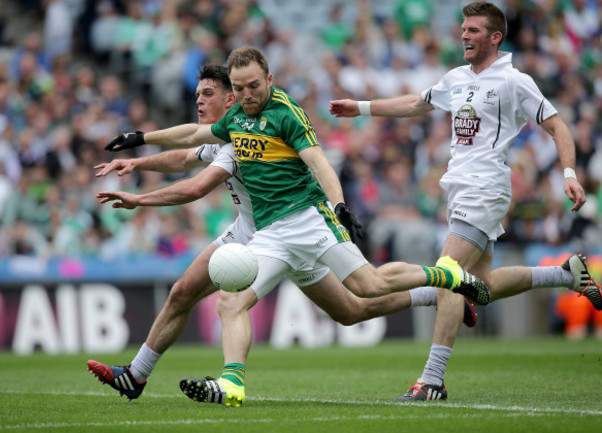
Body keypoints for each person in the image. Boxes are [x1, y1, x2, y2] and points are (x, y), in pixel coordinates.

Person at [102, 46, 491, 407]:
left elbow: (319, 163)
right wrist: (140, 142)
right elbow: (190, 139)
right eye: (240, 88)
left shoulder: (286, 113)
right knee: (233, 300)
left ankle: (445, 276)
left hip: (307, 218)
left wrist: (338, 204)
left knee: (366, 288)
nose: (247, 94)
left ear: (269, 80)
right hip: (267, 232)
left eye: (253, 86)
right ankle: (231, 384)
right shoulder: (235, 119)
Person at [329, 1, 601, 401]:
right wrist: (363, 108)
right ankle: (565, 274)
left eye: (473, 30)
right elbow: (416, 103)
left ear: (495, 37)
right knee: (482, 284)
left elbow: (557, 125)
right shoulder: (456, 77)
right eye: (463, 29)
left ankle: (432, 380)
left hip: (485, 189)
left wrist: (569, 173)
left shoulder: (514, 81)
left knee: (448, 274)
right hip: (459, 190)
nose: (464, 35)